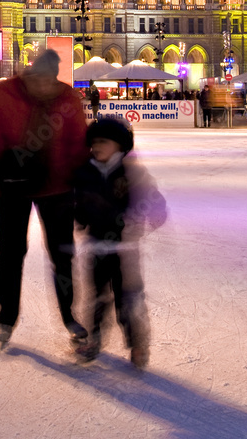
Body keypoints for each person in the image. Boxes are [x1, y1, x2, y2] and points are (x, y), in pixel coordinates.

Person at [0, 49, 89, 349]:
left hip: (57, 187)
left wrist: (82, 185)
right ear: (31, 75)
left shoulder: (67, 99)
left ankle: (69, 316)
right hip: (13, 186)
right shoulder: (6, 93)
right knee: (11, 253)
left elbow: (78, 144)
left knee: (62, 255)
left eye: (49, 81)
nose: (44, 87)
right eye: (39, 80)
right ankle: (5, 319)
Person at [74, 118, 167, 368]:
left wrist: (155, 215)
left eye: (103, 142)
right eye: (93, 143)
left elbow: (152, 197)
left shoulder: (132, 172)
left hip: (125, 250)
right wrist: (79, 218)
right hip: (97, 246)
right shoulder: (86, 172)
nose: (97, 147)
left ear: (120, 145)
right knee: (96, 297)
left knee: (129, 299)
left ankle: (137, 343)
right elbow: (78, 202)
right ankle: (94, 338)